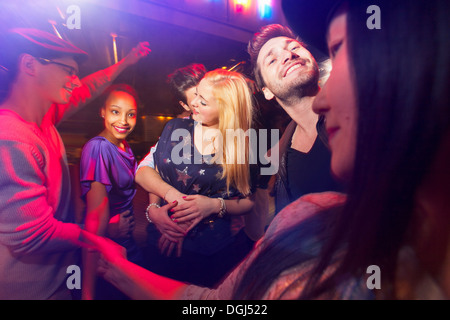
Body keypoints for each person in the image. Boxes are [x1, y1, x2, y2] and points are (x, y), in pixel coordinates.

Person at [85, 0, 450, 300]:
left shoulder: (260, 146)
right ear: (268, 92)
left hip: (216, 252)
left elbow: (251, 206)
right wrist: (154, 211)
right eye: (271, 59)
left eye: (203, 99)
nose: (193, 105)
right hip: (173, 251)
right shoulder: (283, 166)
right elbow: (234, 289)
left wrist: (220, 208)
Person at [0, 27, 149, 299]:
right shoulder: (11, 138)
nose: (76, 80)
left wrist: (126, 62)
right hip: (31, 290)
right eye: (68, 70)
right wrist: (99, 238)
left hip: (57, 278)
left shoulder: (44, 119)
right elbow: (32, 235)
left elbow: (89, 88)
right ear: (29, 64)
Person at [136, 68, 256, 288]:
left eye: (203, 101)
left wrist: (214, 205)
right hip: (160, 242)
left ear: (226, 109)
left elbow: (250, 201)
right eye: (196, 95)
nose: (194, 103)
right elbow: (144, 172)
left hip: (212, 254)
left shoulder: (247, 145)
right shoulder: (175, 127)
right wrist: (158, 208)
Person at [247, 23, 341, 215]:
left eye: (294, 47)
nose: (288, 55)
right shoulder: (281, 157)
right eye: (272, 60)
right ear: (266, 92)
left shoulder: (361, 112)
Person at [80, 84, 143, 300]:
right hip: (107, 249)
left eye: (131, 114)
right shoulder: (99, 148)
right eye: (115, 111)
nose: (123, 121)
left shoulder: (123, 145)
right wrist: (87, 292)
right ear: (102, 111)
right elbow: (95, 216)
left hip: (127, 243)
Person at [136, 63, 206, 171]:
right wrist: (169, 189)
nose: (204, 100)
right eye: (196, 98)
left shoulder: (235, 123)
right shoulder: (177, 129)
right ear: (185, 106)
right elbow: (143, 169)